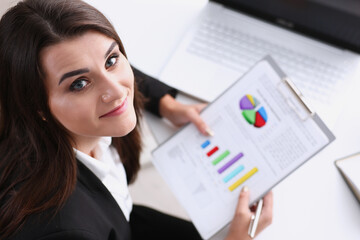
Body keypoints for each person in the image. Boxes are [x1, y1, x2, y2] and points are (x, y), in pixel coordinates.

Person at [0, 0, 273, 239]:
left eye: (111, 60)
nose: (118, 91)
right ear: (37, 106)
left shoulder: (64, 119)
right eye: (80, 84)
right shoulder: (62, 229)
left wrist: (166, 104)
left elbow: (103, 65)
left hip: (119, 217)